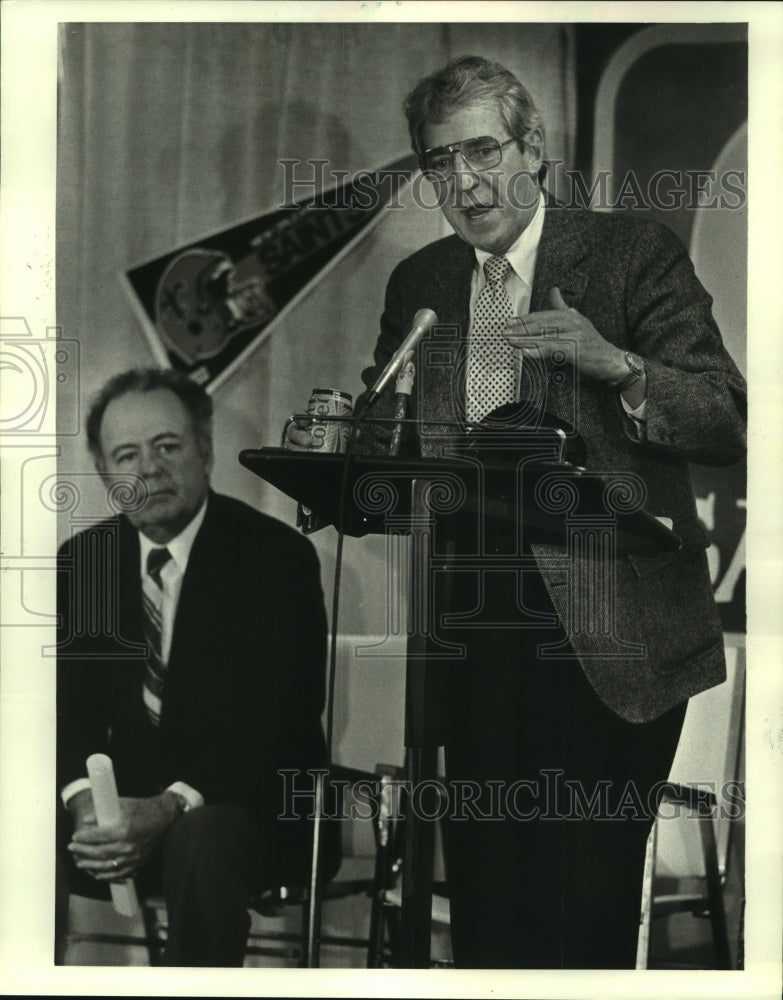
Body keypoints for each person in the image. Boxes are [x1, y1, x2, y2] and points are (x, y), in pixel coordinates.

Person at [288, 55, 746, 968]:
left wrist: (616, 363)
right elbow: (391, 457)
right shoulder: (421, 283)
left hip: (611, 635)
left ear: (531, 146)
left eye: (482, 149)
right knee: (490, 901)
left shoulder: (628, 253)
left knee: (583, 901)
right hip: (475, 633)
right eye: (438, 161)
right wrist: (343, 443)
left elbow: (724, 417)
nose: (462, 180)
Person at [56, 368, 338, 966]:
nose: (149, 470)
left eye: (167, 446)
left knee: (201, 837)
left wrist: (169, 805)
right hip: (122, 821)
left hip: (248, 815)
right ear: (108, 476)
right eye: (126, 456)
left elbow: (282, 720)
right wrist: (85, 803)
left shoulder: (276, 558)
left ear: (205, 451)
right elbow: (62, 713)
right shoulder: (84, 563)